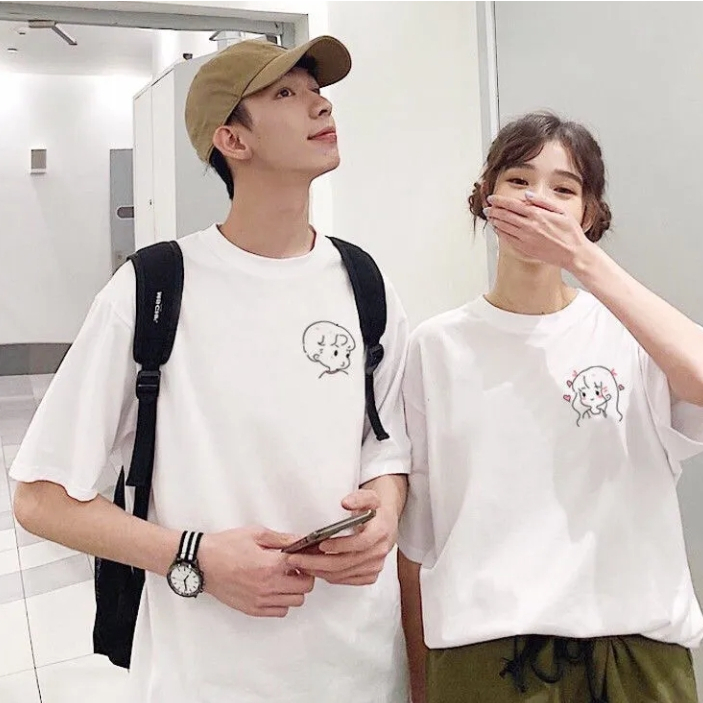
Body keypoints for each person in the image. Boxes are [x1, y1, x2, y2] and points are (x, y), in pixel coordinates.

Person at [12, 36, 410, 703]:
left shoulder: (365, 282)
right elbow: (39, 497)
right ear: (232, 139)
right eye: (286, 93)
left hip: (362, 666)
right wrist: (194, 554)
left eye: (317, 90)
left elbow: (387, 445)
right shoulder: (152, 289)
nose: (320, 104)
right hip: (207, 673)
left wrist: (385, 508)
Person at [397, 111, 703, 703]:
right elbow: (417, 542)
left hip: (637, 653)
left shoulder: (632, 333)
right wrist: (419, 681)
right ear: (487, 197)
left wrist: (582, 259)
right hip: (487, 658)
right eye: (518, 180)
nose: (538, 199)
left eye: (564, 189)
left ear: (588, 214)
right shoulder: (436, 347)